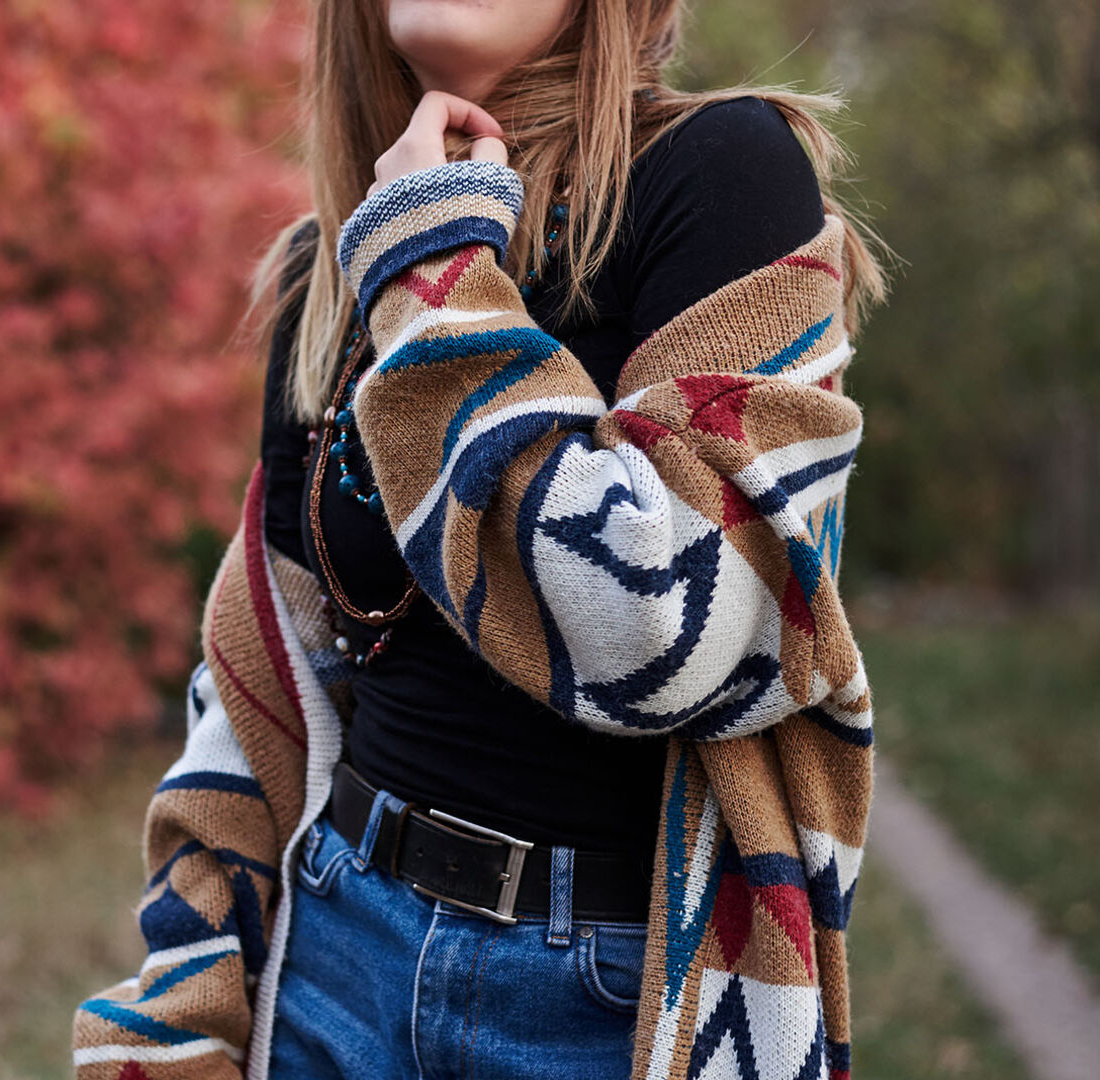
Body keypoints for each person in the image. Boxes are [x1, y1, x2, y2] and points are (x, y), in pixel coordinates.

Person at [74, 1, 886, 1078]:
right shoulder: (337, 259)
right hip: (332, 961)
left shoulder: (724, 172)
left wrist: (432, 271)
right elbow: (264, 682)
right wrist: (185, 1002)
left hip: (605, 1003)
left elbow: (674, 635)